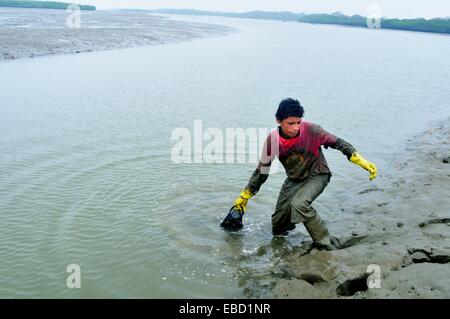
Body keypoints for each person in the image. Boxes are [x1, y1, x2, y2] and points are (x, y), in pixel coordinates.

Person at [232, 98, 377, 250]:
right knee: (278, 224)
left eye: (298, 122)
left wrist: (358, 159)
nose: (295, 127)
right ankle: (283, 244)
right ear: (278, 121)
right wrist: (246, 195)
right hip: (294, 179)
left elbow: (338, 142)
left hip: (318, 174)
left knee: (299, 204)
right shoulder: (273, 141)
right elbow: (262, 171)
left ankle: (325, 243)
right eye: (290, 123)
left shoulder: (312, 130)